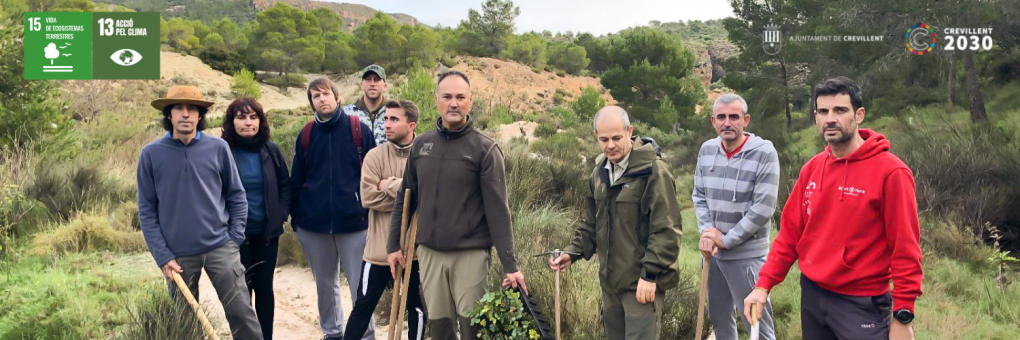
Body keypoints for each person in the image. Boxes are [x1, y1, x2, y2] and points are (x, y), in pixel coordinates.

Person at [743, 77, 923, 340]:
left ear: (858, 115)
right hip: (813, 296)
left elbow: (905, 248)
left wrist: (903, 314)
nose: (830, 119)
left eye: (840, 111)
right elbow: (790, 236)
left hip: (862, 304)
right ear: (815, 117)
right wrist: (763, 285)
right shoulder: (812, 169)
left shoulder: (891, 172)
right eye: (823, 111)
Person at [386, 71, 526, 340]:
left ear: (470, 101)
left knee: (472, 327)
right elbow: (405, 200)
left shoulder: (485, 149)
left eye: (460, 97)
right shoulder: (422, 145)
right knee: (439, 328)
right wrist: (394, 246)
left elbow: (498, 211)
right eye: (447, 97)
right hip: (429, 253)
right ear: (436, 100)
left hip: (470, 254)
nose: (454, 103)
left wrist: (510, 264)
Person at [137, 85, 263, 340]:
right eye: (179, 109)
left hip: (220, 247)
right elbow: (147, 210)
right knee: (185, 322)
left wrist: (234, 239)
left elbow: (237, 196)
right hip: (178, 256)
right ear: (169, 115)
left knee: (241, 313)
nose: (186, 114)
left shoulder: (217, 148)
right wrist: (162, 255)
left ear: (199, 116)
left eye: (192, 109)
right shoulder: (151, 154)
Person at [550, 106, 682, 340]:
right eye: (604, 139)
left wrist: (650, 276)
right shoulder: (599, 172)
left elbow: (667, 230)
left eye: (616, 138)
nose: (610, 145)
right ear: (596, 137)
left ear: (629, 131)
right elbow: (591, 224)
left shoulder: (653, 172)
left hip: (641, 285)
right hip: (611, 284)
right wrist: (573, 252)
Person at [291, 77, 378, 340]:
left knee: (359, 286)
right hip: (314, 226)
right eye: (315, 96)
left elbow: (372, 176)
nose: (322, 99)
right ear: (311, 103)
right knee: (325, 286)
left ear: (336, 97)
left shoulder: (358, 130)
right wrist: (297, 219)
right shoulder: (306, 134)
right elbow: (297, 179)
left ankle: (365, 335)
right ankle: (332, 333)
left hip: (354, 223)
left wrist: (368, 214)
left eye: (325, 94)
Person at [691, 93, 779, 340]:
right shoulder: (707, 150)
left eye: (734, 117)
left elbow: (763, 208)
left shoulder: (764, 153)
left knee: (757, 324)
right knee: (720, 322)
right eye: (721, 117)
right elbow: (698, 195)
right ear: (713, 121)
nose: (727, 123)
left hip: (747, 258)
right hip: (714, 257)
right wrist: (708, 233)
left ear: (746, 120)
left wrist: (727, 240)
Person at [344, 100, 427, 340]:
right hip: (379, 250)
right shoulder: (374, 156)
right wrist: (410, 199)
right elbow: (368, 197)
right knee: (363, 307)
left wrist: (388, 184)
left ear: (411, 125)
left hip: (415, 251)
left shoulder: (425, 155)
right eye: (385, 119)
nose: (386, 124)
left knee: (417, 308)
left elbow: (431, 194)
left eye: (393, 119)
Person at [222, 98, 292, 340]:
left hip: (266, 236)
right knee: (241, 294)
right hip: (235, 238)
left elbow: (285, 185)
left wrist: (281, 215)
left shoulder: (270, 150)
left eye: (253, 117)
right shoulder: (223, 150)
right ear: (231, 122)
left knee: (264, 290)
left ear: (260, 121)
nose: (247, 122)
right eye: (241, 117)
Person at [345, 64, 389, 146]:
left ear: (385, 86)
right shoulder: (347, 113)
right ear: (361, 85)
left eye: (377, 79)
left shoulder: (394, 113)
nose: (372, 84)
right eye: (368, 79)